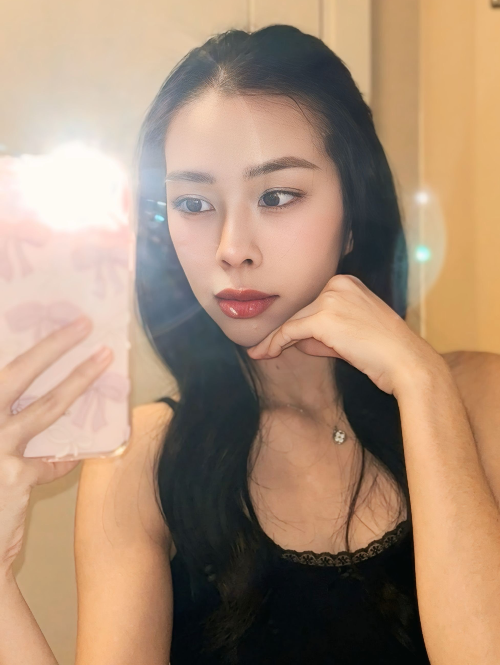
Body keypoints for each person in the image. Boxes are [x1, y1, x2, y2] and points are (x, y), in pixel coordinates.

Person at [1, 24, 500, 665]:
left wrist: (422, 384)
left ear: (354, 213)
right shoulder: (141, 461)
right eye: (192, 203)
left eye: (277, 196)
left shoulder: (477, 401)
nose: (232, 248)